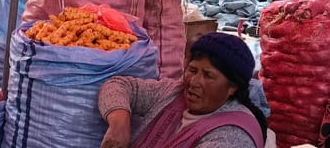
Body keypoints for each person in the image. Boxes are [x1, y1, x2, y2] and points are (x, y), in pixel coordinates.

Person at [99, 33, 267, 148]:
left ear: (232, 87)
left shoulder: (232, 137)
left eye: (208, 76)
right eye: (193, 70)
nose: (194, 82)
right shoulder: (173, 93)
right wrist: (119, 124)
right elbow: (119, 85)